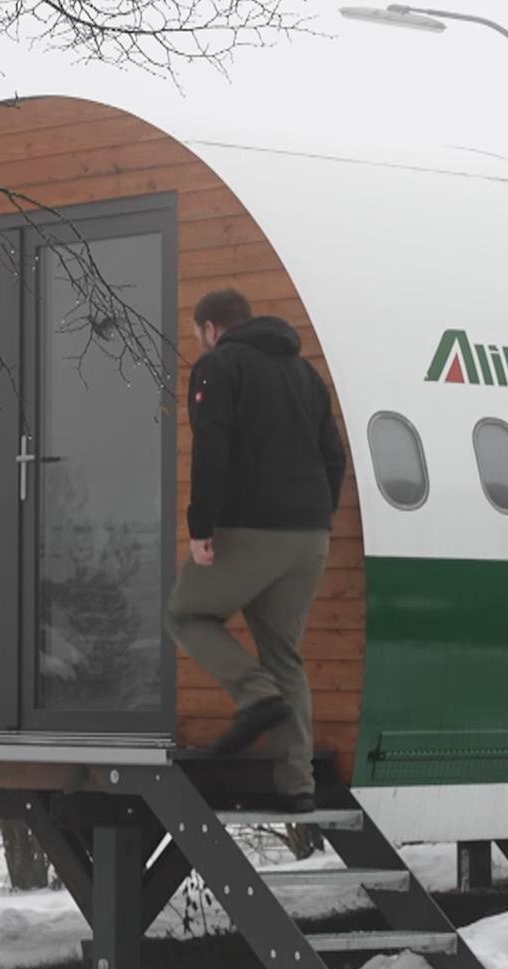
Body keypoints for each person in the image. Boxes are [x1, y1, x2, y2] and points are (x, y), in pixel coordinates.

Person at [166, 288, 347, 813]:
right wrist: (319, 514)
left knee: (186, 614)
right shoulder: (306, 375)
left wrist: (201, 524)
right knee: (284, 655)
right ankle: (297, 786)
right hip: (309, 537)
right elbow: (333, 455)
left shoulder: (219, 367)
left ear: (211, 329)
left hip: (248, 528)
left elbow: (212, 444)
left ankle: (256, 696)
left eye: (198, 335)